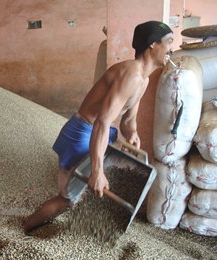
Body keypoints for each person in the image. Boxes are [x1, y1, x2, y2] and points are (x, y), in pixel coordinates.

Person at [23, 21, 174, 233]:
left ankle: (81, 231)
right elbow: (102, 122)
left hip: (95, 133)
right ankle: (24, 228)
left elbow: (128, 119)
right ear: (152, 44)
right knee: (69, 198)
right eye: (169, 42)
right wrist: (97, 170)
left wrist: (133, 134)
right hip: (82, 133)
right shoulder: (130, 74)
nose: (172, 48)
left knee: (90, 190)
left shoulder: (143, 80)